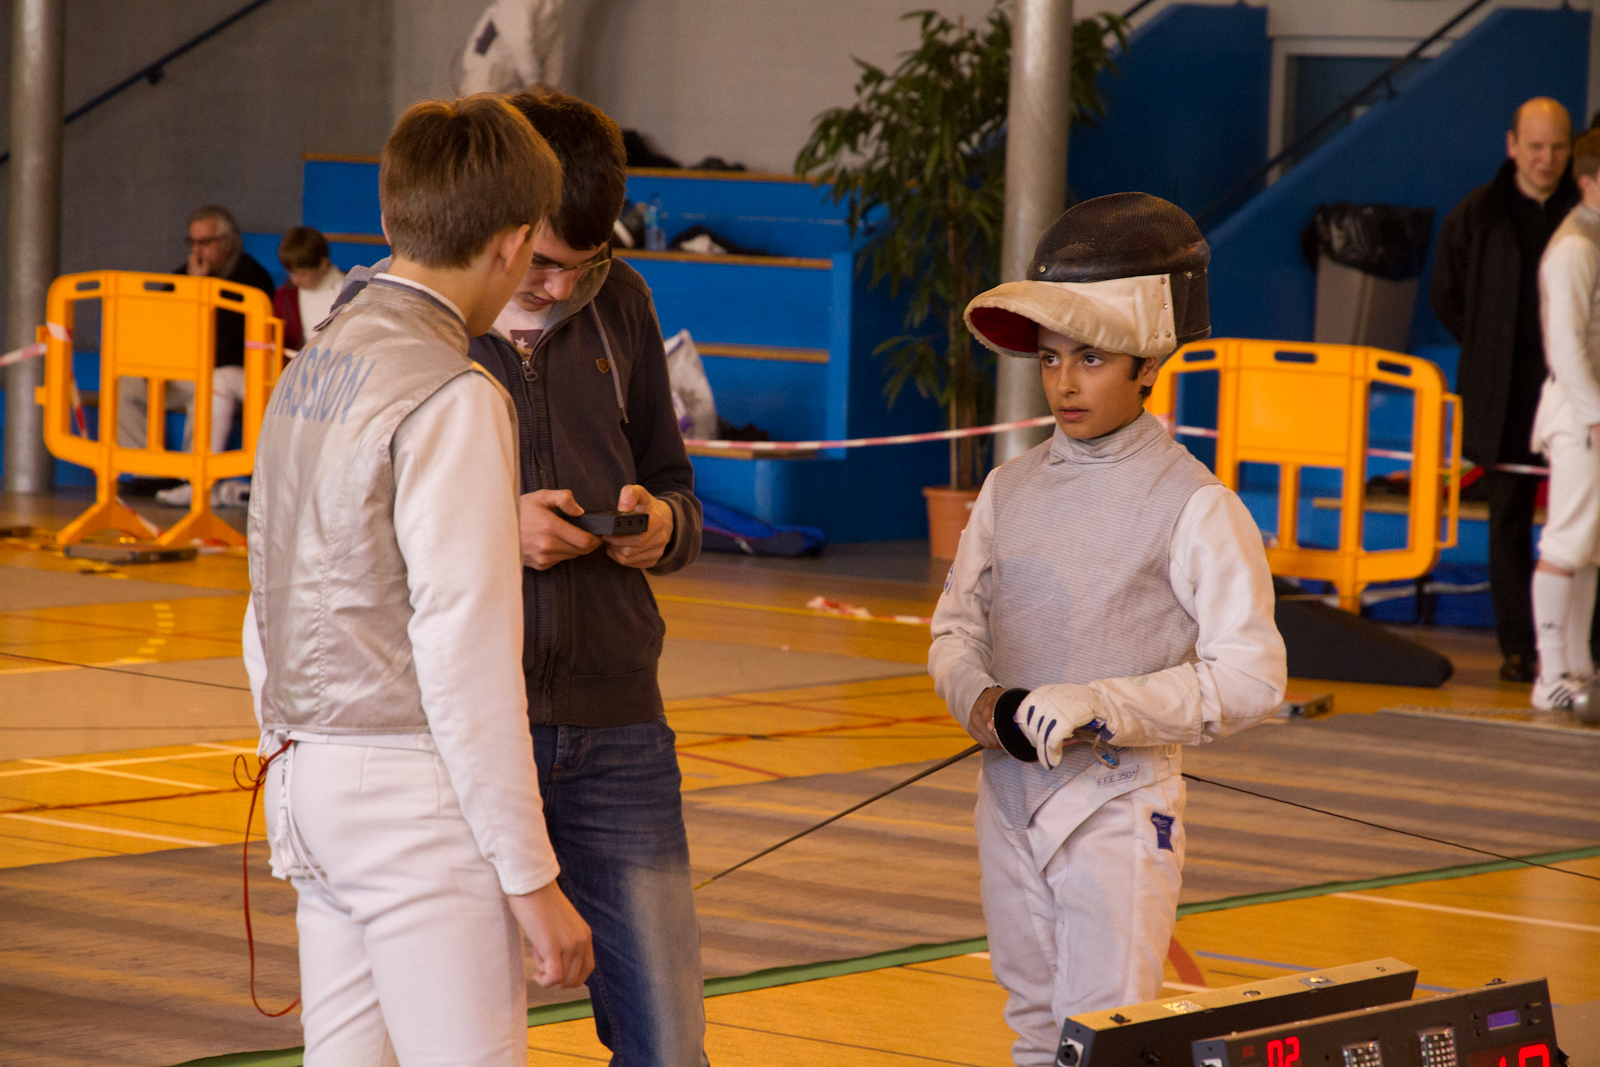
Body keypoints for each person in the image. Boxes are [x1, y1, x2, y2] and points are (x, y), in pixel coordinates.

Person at [324, 86, 707, 1067]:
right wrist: (501, 529)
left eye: (586, 263)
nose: (556, 285)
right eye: (539, 262)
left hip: (617, 725)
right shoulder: (400, 330)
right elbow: (354, 535)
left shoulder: (623, 302)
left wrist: (661, 525)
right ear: (501, 227)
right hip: (455, 740)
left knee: (668, 1042)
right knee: (438, 1037)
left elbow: (676, 485)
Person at [240, 95, 594, 1066]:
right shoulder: (453, 392)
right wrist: (532, 879)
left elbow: (262, 591)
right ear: (512, 243)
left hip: (306, 775)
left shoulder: (312, 362)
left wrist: (285, 756)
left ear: (394, 217)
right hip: (408, 797)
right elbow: (465, 654)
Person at [930, 193, 1287, 1065]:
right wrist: (984, 704)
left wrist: (1103, 704)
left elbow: (1252, 676)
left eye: (1090, 358)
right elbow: (953, 632)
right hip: (1006, 799)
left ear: (1146, 364)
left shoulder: (1194, 502)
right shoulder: (1009, 489)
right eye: (1052, 358)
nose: (1064, 383)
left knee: (1106, 1036)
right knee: (1031, 1027)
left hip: (1119, 807)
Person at [1433, 97, 1579, 682]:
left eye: (1559, 147)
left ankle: (1580, 650)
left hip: (1573, 391)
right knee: (1509, 520)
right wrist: (1490, 348)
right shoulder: (1477, 214)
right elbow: (1446, 295)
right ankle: (1520, 648)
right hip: (1505, 395)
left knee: (1580, 521)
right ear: (1512, 145)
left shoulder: (1586, 212)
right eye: (1536, 146)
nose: (1547, 159)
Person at [137, 206, 276, 506]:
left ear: (228, 242)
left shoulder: (252, 279)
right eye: (193, 242)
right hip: (182, 371)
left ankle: (194, 479)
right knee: (128, 383)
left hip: (226, 372)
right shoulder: (182, 275)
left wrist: (201, 289)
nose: (197, 250)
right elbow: (159, 325)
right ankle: (145, 474)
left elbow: (228, 348)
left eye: (205, 242)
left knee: (213, 382)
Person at [1529, 129, 1600, 710]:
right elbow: (1565, 345)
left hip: (1590, 414)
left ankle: (1578, 668)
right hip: (1580, 417)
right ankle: (1549, 674)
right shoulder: (1576, 245)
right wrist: (1597, 415)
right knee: (1566, 541)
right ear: (1588, 181)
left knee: (1589, 547)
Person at [272, 226, 346, 354]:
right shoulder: (284, 296)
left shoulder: (348, 292)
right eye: (290, 273)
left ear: (323, 264)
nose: (295, 280)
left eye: (302, 274)